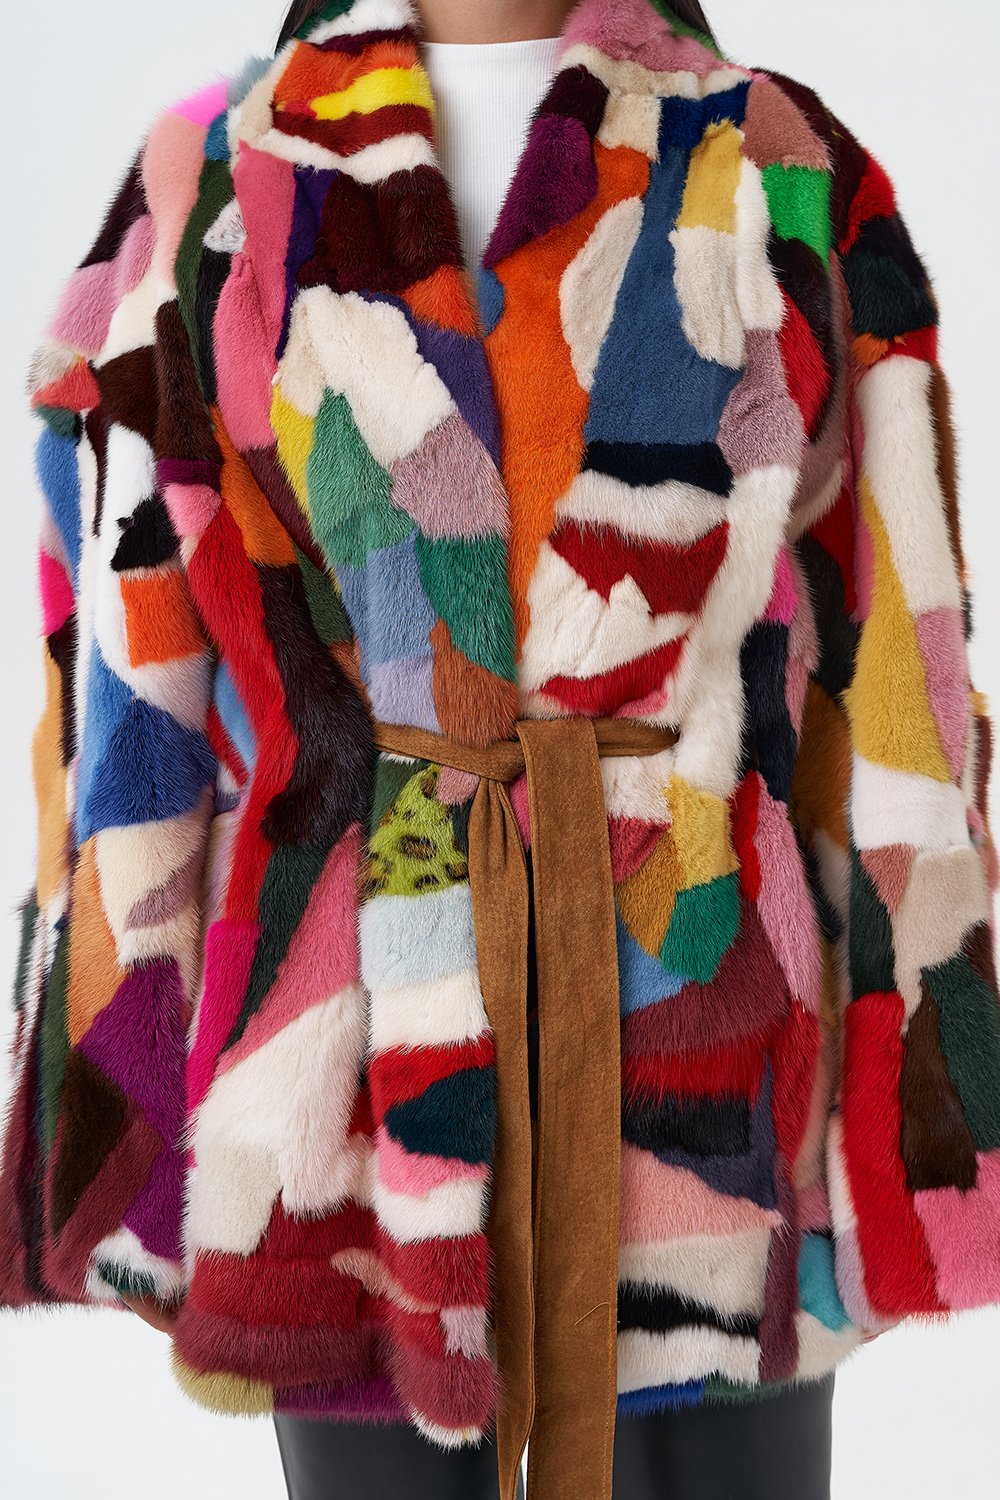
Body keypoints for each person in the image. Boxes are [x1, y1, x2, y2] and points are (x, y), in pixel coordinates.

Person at [2, 1, 998, 1497]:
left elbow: (898, 675)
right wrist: (114, 1117)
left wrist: (922, 1112)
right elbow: (128, 704)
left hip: (707, 1052)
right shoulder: (213, 183)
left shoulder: (778, 164)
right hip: (340, 1089)